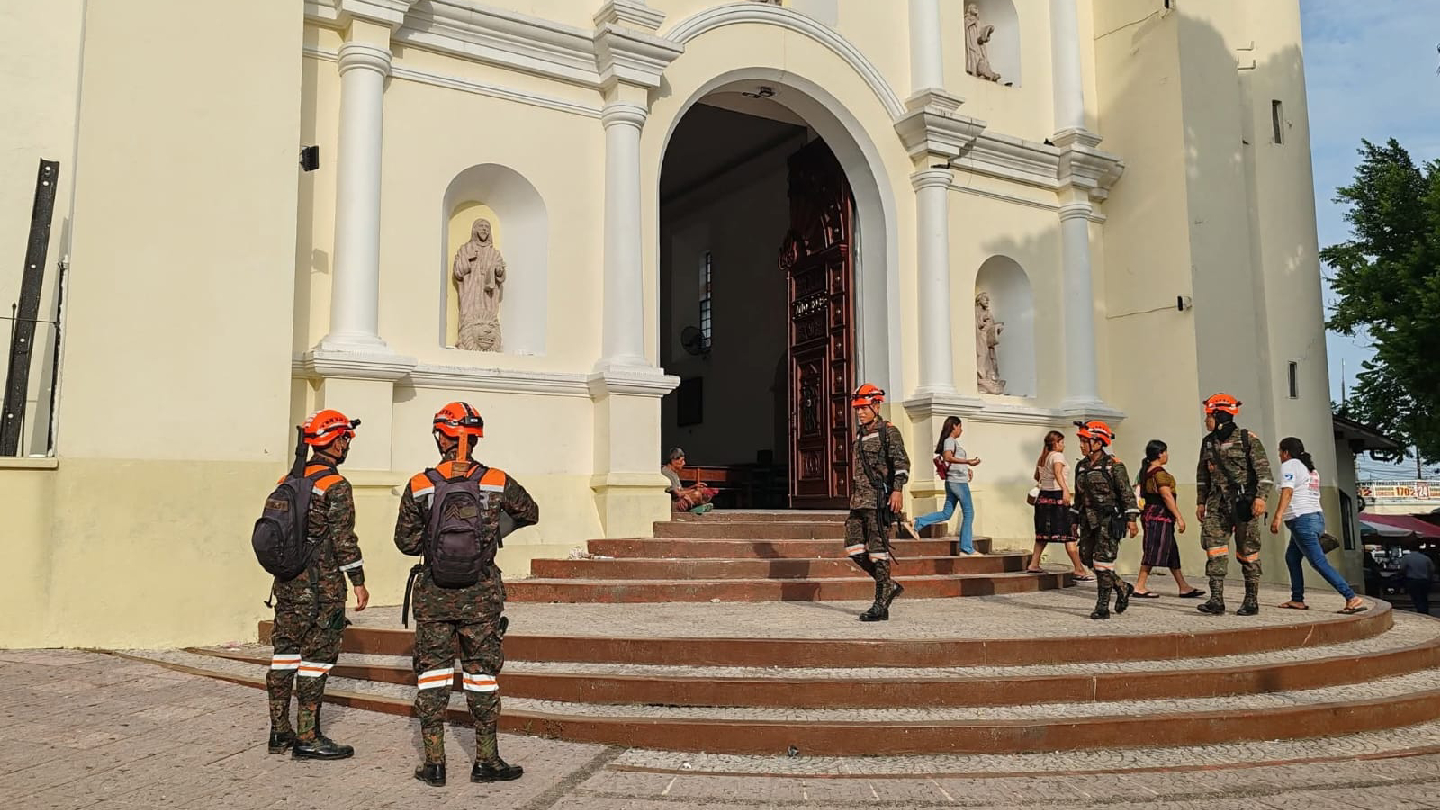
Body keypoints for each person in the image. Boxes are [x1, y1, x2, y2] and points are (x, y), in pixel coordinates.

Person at [395, 402, 539, 787]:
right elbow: (530, 512)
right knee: (482, 676)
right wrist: (490, 535)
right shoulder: (496, 480)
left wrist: (435, 542)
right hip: (481, 593)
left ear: (441, 437)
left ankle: (434, 764)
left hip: (434, 595)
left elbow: (405, 543)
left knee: (432, 676)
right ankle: (487, 761)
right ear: (474, 438)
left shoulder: (420, 485)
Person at [266, 409, 368, 760]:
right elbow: (343, 539)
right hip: (322, 590)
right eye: (345, 439)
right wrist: (358, 581)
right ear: (336, 443)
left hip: (286, 585)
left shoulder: (287, 480)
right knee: (316, 661)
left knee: (284, 656)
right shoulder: (334, 485)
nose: (346, 445)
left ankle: (279, 731)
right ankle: (308, 736)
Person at [1195, 393, 1274, 617]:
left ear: (1219, 416)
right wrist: (1200, 502)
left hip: (1243, 504)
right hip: (1217, 504)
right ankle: (1216, 599)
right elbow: (1202, 475)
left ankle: (1251, 600)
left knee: (1248, 551)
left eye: (1209, 416)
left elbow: (1264, 473)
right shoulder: (1208, 442)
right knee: (1214, 548)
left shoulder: (1248, 439)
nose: (1206, 421)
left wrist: (1261, 498)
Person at [1270, 437, 1366, 614]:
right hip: (1313, 517)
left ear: (1286, 452)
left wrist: (1277, 516)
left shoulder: (1290, 465)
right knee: (1292, 557)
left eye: (1280, 452)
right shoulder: (1310, 469)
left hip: (1302, 519)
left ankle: (1351, 596)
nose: (1279, 456)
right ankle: (1297, 599)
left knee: (1318, 562)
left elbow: (1288, 491)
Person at [846, 384, 911, 622]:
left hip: (878, 502)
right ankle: (888, 585)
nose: (860, 412)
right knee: (852, 547)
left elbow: (901, 464)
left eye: (864, 408)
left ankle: (880, 603)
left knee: (878, 552)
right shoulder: (861, 434)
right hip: (859, 501)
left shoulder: (888, 432)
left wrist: (897, 491)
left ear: (876, 406)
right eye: (857, 408)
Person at [1071, 420, 1140, 619]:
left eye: (1085, 441)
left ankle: (1102, 607)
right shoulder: (1081, 466)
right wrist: (1073, 519)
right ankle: (1122, 586)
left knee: (1103, 562)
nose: (1081, 445)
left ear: (1098, 443)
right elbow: (1079, 496)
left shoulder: (1114, 466)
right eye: (1081, 441)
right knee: (1086, 557)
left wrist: (1132, 520)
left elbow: (1126, 494)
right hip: (1088, 521)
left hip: (1109, 521)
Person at [1132, 440, 1204, 599]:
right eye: (1165, 452)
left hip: (1153, 515)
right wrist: (1179, 517)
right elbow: (1166, 496)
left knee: (1171, 552)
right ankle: (1140, 586)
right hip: (1158, 516)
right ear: (1160, 454)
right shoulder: (1158, 473)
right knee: (1152, 550)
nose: (1167, 455)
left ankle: (1183, 586)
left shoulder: (1146, 471)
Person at [907, 416, 981, 554]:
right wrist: (968, 462)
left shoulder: (952, 442)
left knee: (946, 513)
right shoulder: (949, 441)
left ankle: (917, 523)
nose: (961, 430)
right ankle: (966, 548)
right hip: (958, 483)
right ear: (954, 426)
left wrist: (966, 469)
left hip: (953, 481)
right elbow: (947, 457)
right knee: (969, 513)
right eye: (960, 426)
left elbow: (951, 462)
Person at [1026, 430, 1090, 580]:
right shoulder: (1057, 456)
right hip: (1056, 497)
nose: (1064, 445)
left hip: (1043, 498)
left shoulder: (1044, 457)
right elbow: (1058, 473)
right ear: (1055, 443)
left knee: (1042, 535)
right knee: (1069, 534)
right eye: (1061, 442)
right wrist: (1065, 490)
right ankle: (1079, 568)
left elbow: (1037, 476)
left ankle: (1034, 564)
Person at [661, 447, 715, 514]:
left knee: (703, 492)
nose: (684, 463)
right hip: (673, 503)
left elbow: (681, 490)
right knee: (696, 494)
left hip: (679, 499)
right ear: (673, 460)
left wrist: (694, 487)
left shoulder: (674, 473)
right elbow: (677, 494)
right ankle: (695, 508)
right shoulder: (666, 472)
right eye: (681, 460)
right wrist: (692, 491)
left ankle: (697, 507)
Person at [1397, 547, 1435, 615]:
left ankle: (1420, 612)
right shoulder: (1426, 558)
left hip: (1412, 581)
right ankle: (1424, 612)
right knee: (1423, 597)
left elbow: (1402, 569)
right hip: (1424, 581)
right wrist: (1429, 578)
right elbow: (1432, 569)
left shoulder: (1406, 558)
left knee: (1416, 598)